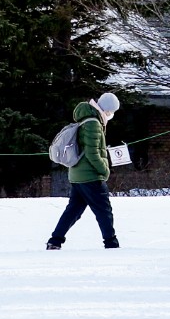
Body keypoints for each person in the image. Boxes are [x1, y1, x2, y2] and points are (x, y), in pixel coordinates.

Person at [47, 92, 121, 250]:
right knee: (104, 210)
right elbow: (92, 152)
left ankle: (55, 241)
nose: (111, 115)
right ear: (107, 109)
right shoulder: (93, 123)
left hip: (77, 175)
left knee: (73, 211)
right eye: (112, 111)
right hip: (90, 176)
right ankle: (111, 243)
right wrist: (105, 170)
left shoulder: (86, 119)